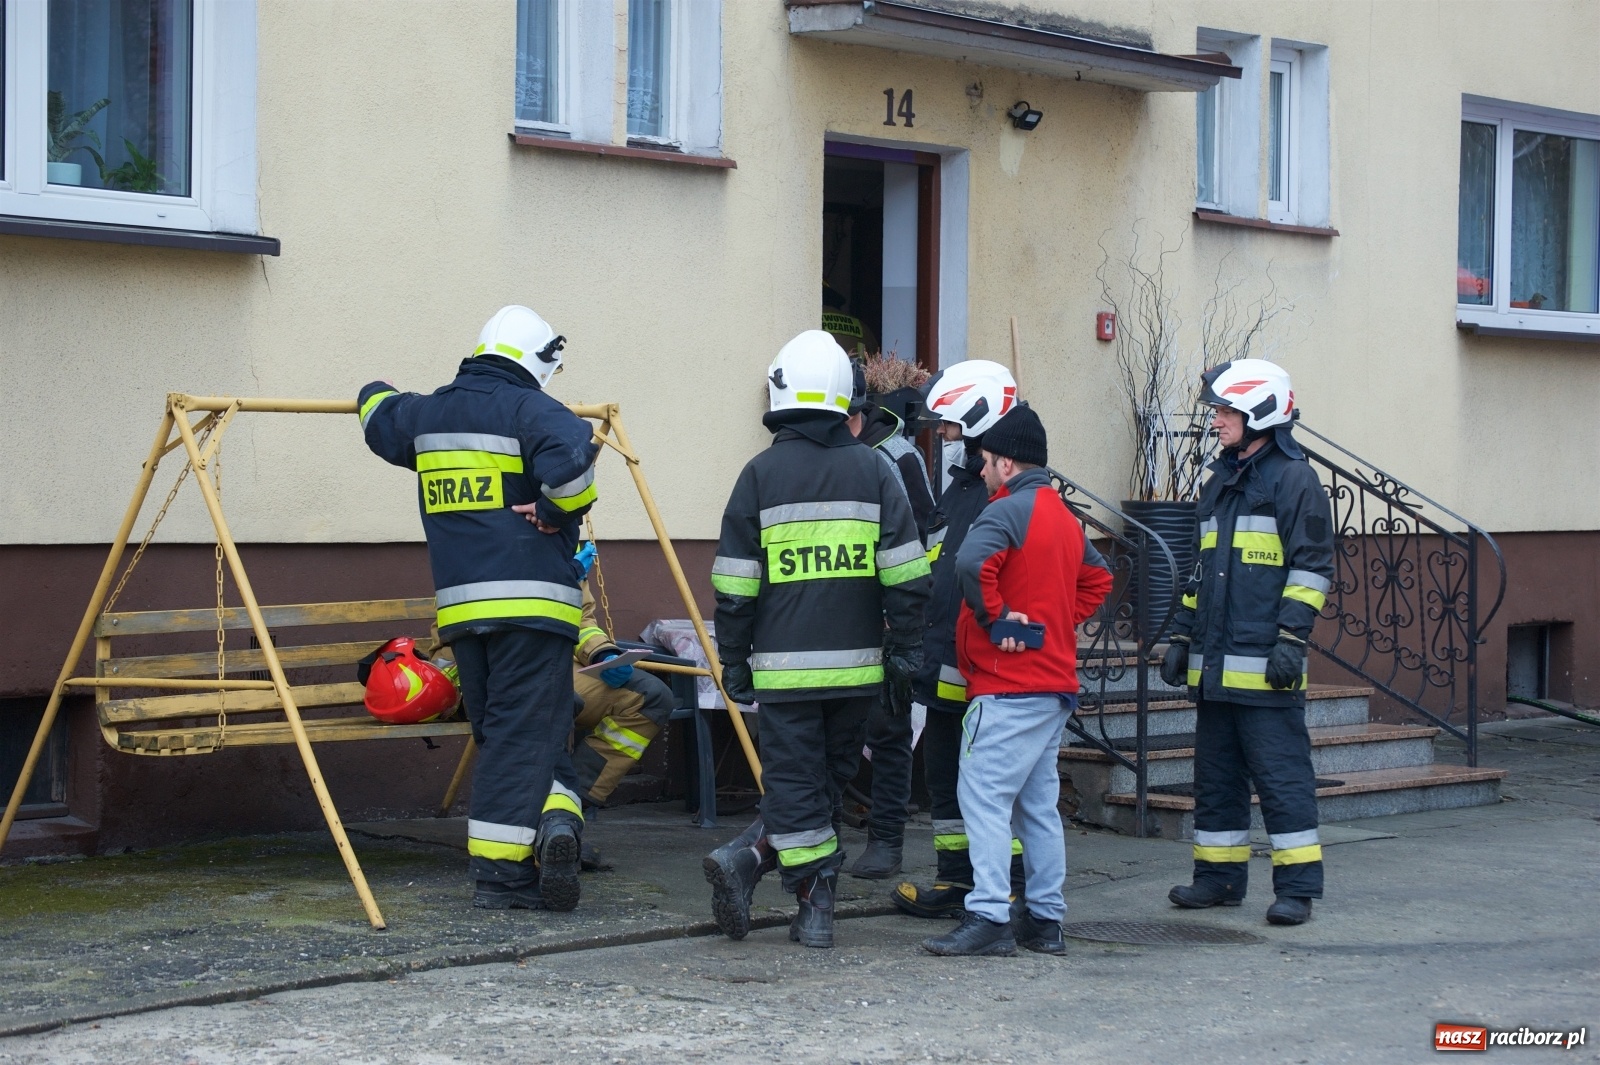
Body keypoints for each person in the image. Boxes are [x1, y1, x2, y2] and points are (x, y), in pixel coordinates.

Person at [358, 304, 598, 913]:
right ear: (538, 360)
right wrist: (553, 512)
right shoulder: (532, 408)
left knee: (509, 732)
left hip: (465, 613)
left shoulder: (427, 414)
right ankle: (501, 875)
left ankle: (557, 825)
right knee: (526, 734)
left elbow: (377, 414)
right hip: (533, 609)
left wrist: (372, 390)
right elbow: (574, 463)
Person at [701, 330, 930, 949]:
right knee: (822, 786)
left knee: (798, 787)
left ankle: (811, 898)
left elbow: (735, 584)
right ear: (842, 399)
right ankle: (763, 866)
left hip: (783, 678)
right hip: (858, 674)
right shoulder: (877, 472)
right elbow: (908, 575)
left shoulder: (758, 476)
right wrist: (907, 649)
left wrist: (733, 657)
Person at [923, 404, 1113, 957]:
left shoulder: (1005, 509)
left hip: (1007, 684)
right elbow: (1099, 577)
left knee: (980, 797)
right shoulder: (1060, 514)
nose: (978, 471)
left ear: (1006, 463)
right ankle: (1045, 921)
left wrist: (996, 619)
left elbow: (967, 565)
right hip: (1051, 686)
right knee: (1037, 807)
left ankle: (988, 916)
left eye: (983, 461)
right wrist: (1055, 619)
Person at [1160, 359, 1334, 927]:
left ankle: (1298, 889)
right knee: (1216, 779)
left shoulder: (1294, 479)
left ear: (1259, 411)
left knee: (1282, 779)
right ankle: (1217, 877)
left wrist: (1291, 639)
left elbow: (1312, 568)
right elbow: (1199, 573)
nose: (1216, 420)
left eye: (1225, 410)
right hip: (1214, 671)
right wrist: (1182, 636)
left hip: (1266, 667)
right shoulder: (1221, 481)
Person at [892, 360, 1027, 917]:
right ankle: (955, 880)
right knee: (944, 775)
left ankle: (1009, 885)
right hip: (942, 655)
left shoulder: (1006, 495)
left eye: (949, 423)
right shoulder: (961, 488)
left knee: (990, 783)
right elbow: (937, 567)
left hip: (983, 667)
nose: (942, 433)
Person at [842, 369, 936, 879]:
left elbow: (919, 535)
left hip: (889, 611)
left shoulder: (894, 454)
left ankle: (886, 839)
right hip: (837, 614)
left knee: (888, 727)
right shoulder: (831, 454)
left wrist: (903, 619)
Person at [570, 560, 675, 809]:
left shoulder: (566, 541)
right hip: (501, 665)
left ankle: (570, 798)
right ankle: (530, 809)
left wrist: (602, 655)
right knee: (553, 702)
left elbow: (581, 620)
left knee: (650, 698)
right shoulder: (489, 530)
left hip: (559, 662)